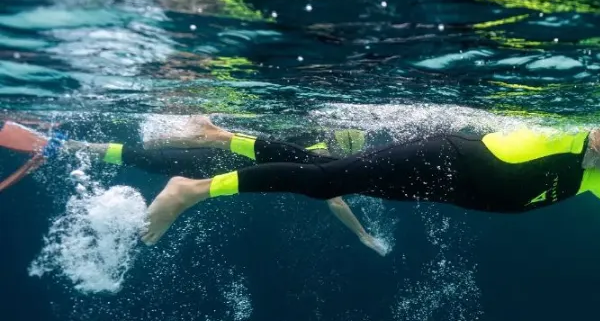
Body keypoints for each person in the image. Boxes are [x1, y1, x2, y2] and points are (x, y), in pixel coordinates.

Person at [140, 124, 600, 266]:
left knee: (328, 170)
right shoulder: (562, 135)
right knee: (326, 180)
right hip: (439, 156)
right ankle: (190, 189)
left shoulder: (596, 179)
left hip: (438, 189)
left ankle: (223, 136)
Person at [0, 117, 389, 256]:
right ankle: (57, 145)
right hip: (218, 166)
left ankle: (58, 145)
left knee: (140, 155)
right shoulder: (321, 157)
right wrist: (363, 235)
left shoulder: (305, 140)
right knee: (147, 156)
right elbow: (335, 199)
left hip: (213, 156)